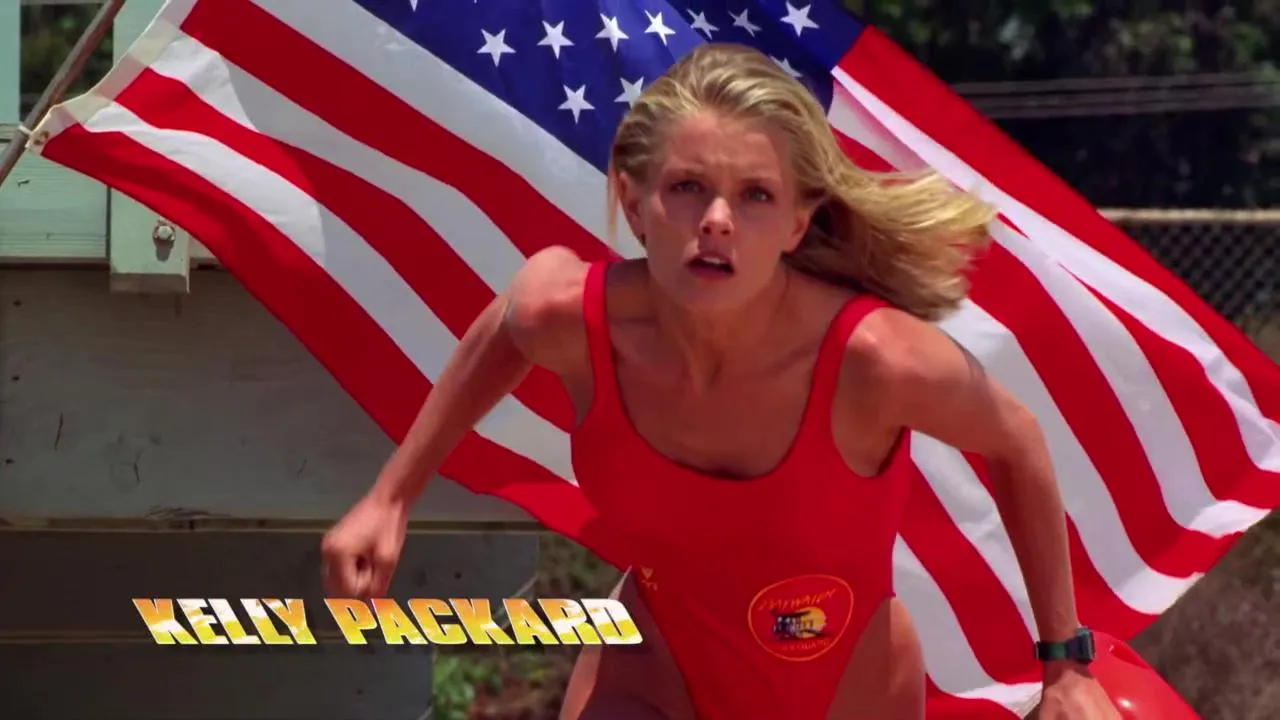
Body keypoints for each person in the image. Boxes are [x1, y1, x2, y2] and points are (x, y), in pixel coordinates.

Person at [321, 42, 1123, 720]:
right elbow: (505, 327)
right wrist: (391, 496)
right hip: (650, 675)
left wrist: (1065, 665)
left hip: (845, 696)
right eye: (687, 188)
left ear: (798, 222)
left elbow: (1016, 438)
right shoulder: (572, 315)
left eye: (755, 196)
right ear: (633, 202)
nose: (716, 220)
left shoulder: (874, 360)